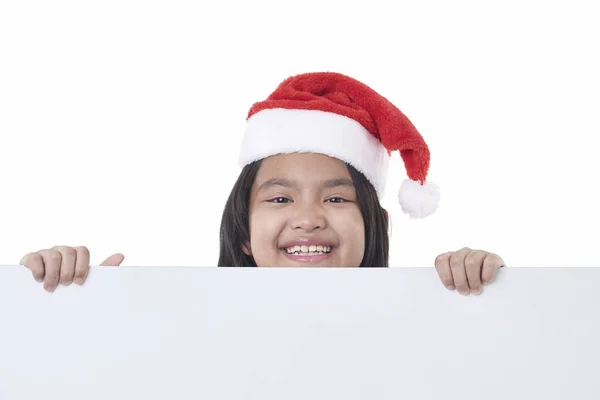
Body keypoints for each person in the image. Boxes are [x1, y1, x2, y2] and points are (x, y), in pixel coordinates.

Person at [19, 72, 506, 295]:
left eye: (337, 198)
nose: (310, 218)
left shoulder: (422, 321)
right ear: (245, 235)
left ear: (373, 225)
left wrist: (486, 290)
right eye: (279, 197)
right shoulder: (184, 328)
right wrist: (72, 304)